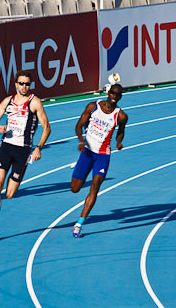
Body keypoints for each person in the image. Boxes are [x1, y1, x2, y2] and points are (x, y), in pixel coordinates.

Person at [0, 71, 51, 242]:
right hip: (6, 147)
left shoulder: (34, 102)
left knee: (9, 194)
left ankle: (10, 188)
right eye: (21, 83)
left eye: (27, 84)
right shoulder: (7, 101)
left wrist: (38, 148)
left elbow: (47, 128)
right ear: (15, 84)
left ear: (30, 85)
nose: (24, 87)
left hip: (23, 151)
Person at [70, 84, 128, 238]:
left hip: (103, 155)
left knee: (95, 186)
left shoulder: (120, 115)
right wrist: (81, 140)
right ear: (108, 93)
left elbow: (121, 131)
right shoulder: (93, 106)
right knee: (75, 188)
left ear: (120, 97)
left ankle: (78, 224)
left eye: (118, 95)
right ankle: (79, 168)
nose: (115, 96)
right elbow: (79, 125)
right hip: (87, 152)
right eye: (113, 93)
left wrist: (119, 142)